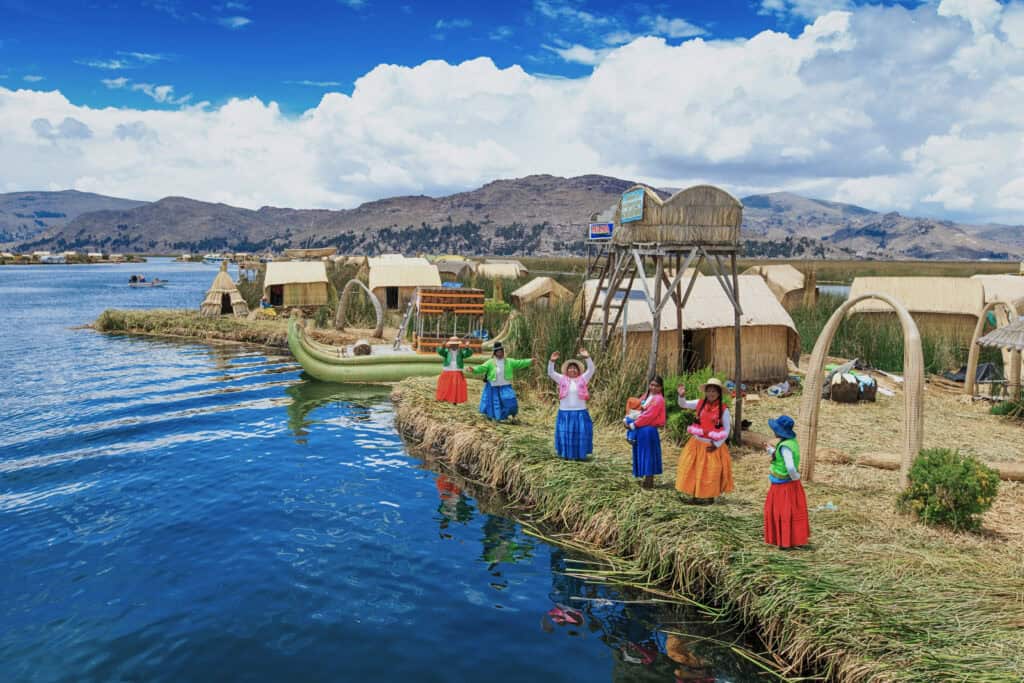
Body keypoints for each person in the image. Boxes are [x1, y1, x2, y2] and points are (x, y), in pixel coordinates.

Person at [675, 378, 734, 505]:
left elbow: (727, 430)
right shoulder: (699, 403)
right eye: (709, 391)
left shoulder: (724, 409)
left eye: (714, 391)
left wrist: (716, 444)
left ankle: (708, 498)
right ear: (705, 392)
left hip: (711, 445)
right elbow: (683, 404)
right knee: (693, 469)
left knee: (710, 472)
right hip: (696, 443)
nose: (711, 394)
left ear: (719, 393)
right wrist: (681, 396)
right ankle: (694, 496)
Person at [763, 415, 810, 549]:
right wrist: (770, 450)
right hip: (787, 483)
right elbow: (782, 457)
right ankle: (790, 538)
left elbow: (789, 466)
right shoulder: (791, 442)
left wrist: (795, 477)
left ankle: (785, 541)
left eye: (776, 429)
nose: (774, 431)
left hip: (784, 485)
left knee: (783, 512)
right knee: (792, 512)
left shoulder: (784, 446)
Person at [547, 349, 595, 461]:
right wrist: (552, 361)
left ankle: (579, 455)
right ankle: (567, 455)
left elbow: (591, 369)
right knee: (566, 435)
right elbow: (550, 373)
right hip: (565, 413)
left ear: (578, 370)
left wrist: (587, 358)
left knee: (579, 435)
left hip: (580, 413)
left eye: (574, 368)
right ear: (567, 370)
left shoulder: (583, 379)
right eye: (570, 368)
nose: (572, 370)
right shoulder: (562, 379)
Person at [470, 341, 533, 422]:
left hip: (505, 386)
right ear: (495, 353)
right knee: (496, 404)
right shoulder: (490, 362)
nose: (500, 353)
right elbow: (482, 368)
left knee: (511, 400)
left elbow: (519, 363)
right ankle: (498, 418)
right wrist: (474, 369)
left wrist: (530, 361)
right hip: (494, 386)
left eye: (501, 351)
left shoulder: (509, 361)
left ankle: (511, 415)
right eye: (498, 352)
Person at [624, 376, 666, 490]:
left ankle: (649, 481)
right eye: (651, 384)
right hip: (642, 428)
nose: (653, 387)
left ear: (661, 387)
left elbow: (649, 416)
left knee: (648, 455)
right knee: (642, 453)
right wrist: (628, 417)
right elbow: (638, 407)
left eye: (656, 386)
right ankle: (645, 479)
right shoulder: (647, 396)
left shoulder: (658, 399)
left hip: (648, 430)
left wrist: (633, 425)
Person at [436, 336, 472, 404]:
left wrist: (467, 348)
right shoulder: (447, 351)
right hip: (448, 369)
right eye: (452, 344)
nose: (454, 346)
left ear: (458, 345)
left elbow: (468, 354)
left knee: (456, 385)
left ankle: (455, 399)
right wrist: (443, 346)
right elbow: (440, 352)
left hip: (457, 370)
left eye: (455, 344)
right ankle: (444, 398)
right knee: (446, 385)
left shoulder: (461, 352)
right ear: (450, 344)